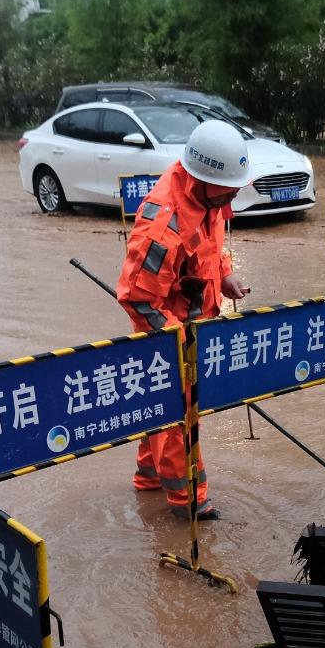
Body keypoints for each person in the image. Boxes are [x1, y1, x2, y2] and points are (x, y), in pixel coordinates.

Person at [117, 118, 255, 520]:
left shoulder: (207, 196)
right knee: (179, 416)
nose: (234, 194)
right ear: (203, 178)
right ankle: (189, 502)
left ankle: (149, 480)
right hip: (167, 332)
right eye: (229, 187)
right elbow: (136, 298)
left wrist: (224, 273)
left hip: (193, 324)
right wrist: (179, 343)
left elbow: (210, 243)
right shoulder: (163, 225)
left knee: (157, 410)